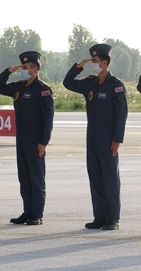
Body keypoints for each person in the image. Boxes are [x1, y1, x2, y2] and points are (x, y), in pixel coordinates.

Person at [63, 43, 127, 230]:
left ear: (105, 62)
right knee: (96, 177)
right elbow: (68, 83)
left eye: (95, 60)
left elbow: (121, 114)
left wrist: (117, 140)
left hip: (108, 139)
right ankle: (99, 216)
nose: (93, 64)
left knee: (110, 178)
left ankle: (112, 217)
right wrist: (79, 66)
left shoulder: (116, 85)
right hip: (92, 137)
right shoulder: (90, 82)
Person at [0, 51, 54, 226]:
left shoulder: (43, 90)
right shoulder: (20, 87)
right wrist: (9, 71)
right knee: (24, 177)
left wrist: (44, 141)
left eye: (26, 67)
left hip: (36, 141)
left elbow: (48, 118)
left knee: (36, 178)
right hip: (21, 139)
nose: (23, 70)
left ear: (35, 69)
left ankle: (37, 213)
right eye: (22, 66)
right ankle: (27, 211)